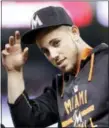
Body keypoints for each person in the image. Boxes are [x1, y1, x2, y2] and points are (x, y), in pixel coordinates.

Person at [2, 6, 109, 128]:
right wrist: (14, 72)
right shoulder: (60, 87)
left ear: (74, 33)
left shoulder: (105, 62)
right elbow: (26, 122)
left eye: (56, 43)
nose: (52, 55)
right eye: (45, 51)